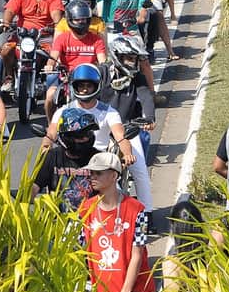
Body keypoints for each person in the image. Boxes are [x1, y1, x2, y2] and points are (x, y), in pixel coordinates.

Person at [79, 151, 154, 292]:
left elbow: (137, 254)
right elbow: (82, 251)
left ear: (113, 176)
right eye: (91, 172)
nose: (92, 176)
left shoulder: (136, 210)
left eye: (99, 173)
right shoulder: (85, 209)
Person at [43, 64, 152, 210]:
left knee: (117, 194)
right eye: (81, 86)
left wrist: (127, 153)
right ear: (74, 86)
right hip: (68, 157)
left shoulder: (109, 111)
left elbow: (120, 136)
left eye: (89, 86)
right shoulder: (64, 110)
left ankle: (144, 214)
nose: (85, 89)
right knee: (45, 187)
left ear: (97, 87)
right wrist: (44, 148)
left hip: (100, 160)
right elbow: (51, 133)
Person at [0, 0, 64, 91]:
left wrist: (57, 27)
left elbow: (57, 16)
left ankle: (51, 83)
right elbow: (10, 10)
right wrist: (6, 23)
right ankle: (9, 77)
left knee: (56, 56)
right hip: (22, 36)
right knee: (6, 50)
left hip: (44, 38)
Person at [44, 1, 105, 121]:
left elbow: (102, 60)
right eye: (78, 20)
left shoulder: (96, 40)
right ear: (70, 20)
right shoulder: (62, 38)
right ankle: (51, 125)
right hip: (67, 78)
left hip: (90, 79)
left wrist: (105, 68)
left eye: (84, 19)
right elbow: (53, 57)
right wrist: (50, 65)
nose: (81, 22)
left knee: (108, 96)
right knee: (50, 95)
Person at [31, 107, 99, 211]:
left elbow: (111, 195)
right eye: (80, 135)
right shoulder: (51, 157)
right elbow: (33, 189)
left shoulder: (99, 159)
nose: (85, 138)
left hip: (93, 221)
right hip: (56, 221)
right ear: (67, 136)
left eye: (88, 134)